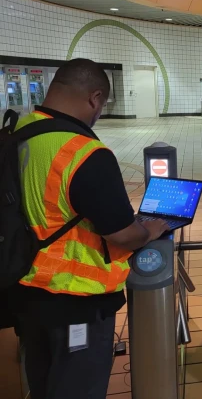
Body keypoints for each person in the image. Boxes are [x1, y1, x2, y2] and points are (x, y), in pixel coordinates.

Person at [9, 58, 169, 399]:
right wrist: (150, 230)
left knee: (42, 385)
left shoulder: (20, 134)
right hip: (75, 301)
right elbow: (122, 234)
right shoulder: (84, 153)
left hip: (24, 290)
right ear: (95, 97)